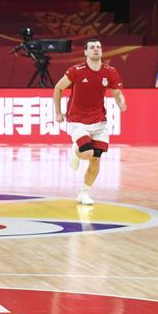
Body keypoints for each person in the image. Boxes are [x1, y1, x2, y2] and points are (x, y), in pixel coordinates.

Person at [53, 39, 127, 206]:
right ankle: (76, 150)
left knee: (96, 158)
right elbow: (58, 88)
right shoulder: (76, 70)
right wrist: (58, 112)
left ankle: (84, 192)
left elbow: (117, 92)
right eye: (92, 47)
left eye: (99, 47)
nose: (96, 49)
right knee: (86, 153)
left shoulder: (110, 71)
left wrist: (121, 102)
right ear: (85, 52)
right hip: (77, 120)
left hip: (99, 121)